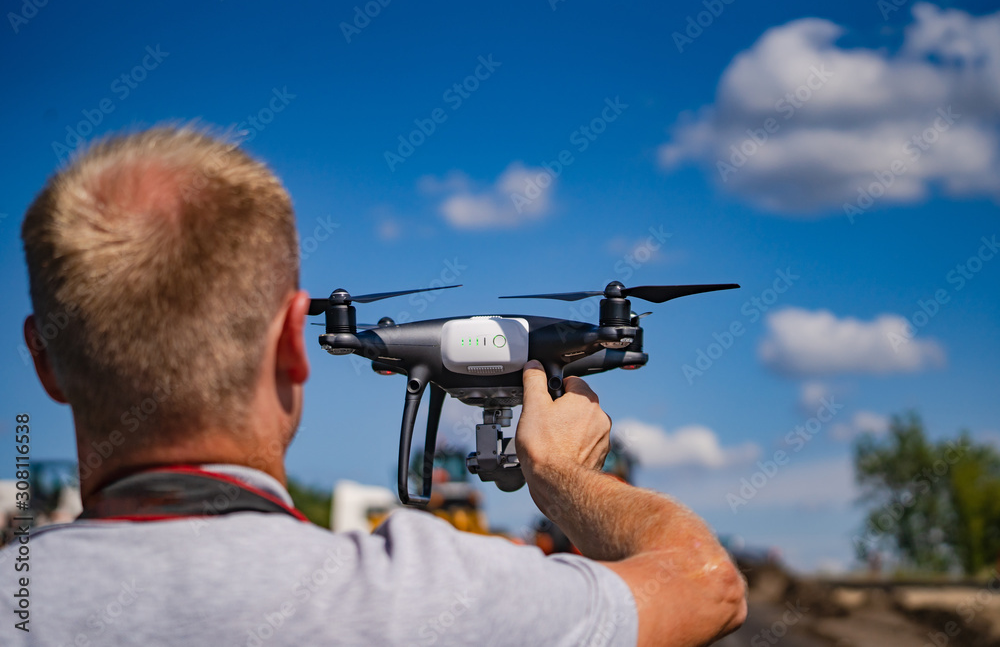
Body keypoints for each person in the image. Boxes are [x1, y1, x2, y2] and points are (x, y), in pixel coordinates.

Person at [2, 126, 746, 646]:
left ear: (43, 359)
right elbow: (710, 586)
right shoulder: (440, 595)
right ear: (295, 341)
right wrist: (561, 475)